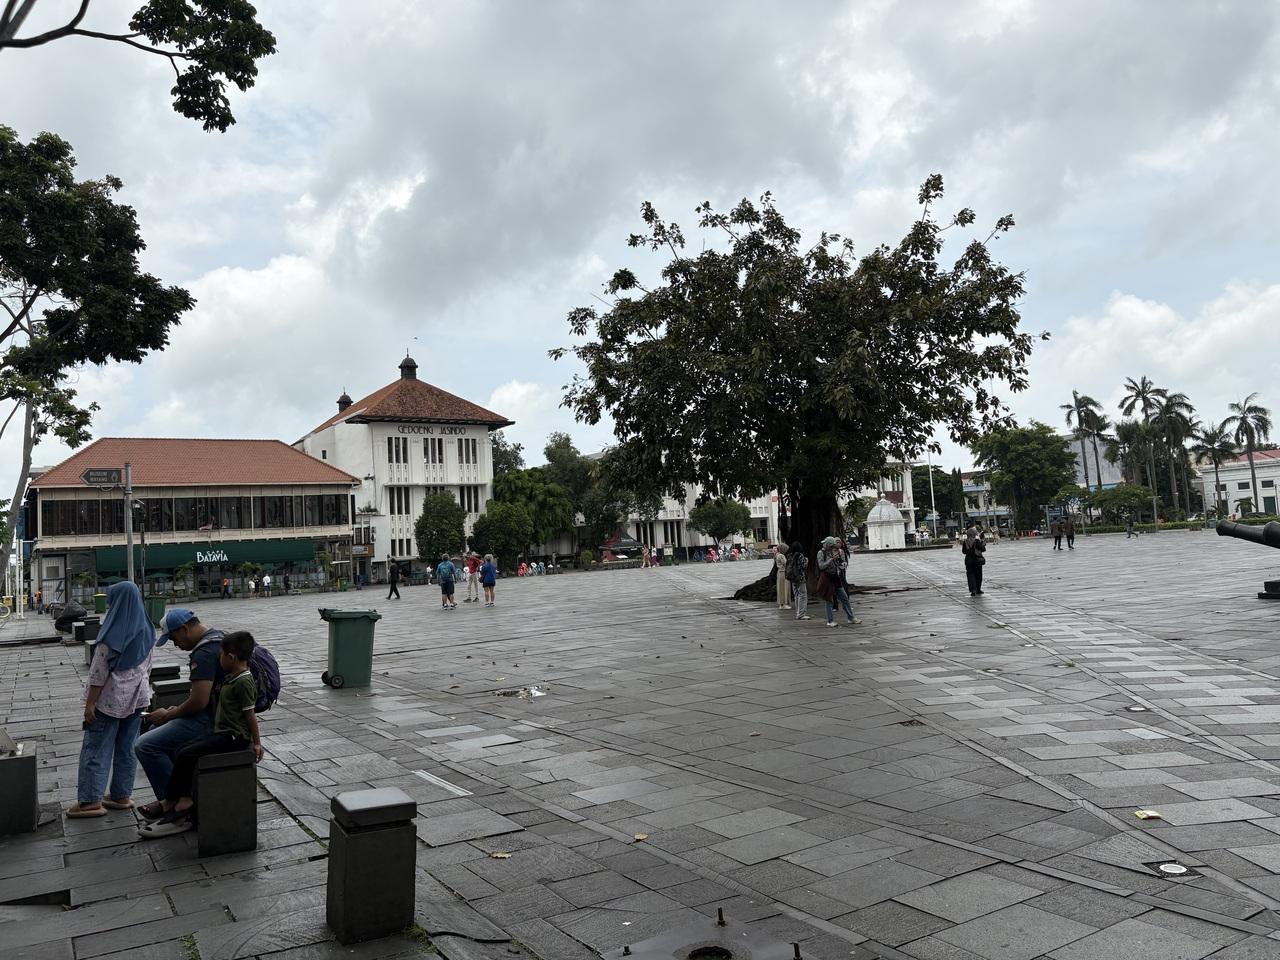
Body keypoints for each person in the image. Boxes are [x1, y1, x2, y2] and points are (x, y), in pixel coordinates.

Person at [139, 631, 263, 837]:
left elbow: (250, 715)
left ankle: (178, 802)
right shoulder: (232, 677)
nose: (218, 659)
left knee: (185, 754)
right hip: (223, 732)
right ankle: (177, 799)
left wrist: (257, 743)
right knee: (185, 750)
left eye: (220, 656)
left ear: (231, 657)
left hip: (233, 737)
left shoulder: (243, 682)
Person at [67, 582, 156, 818]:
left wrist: (90, 704)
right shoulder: (148, 632)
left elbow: (98, 675)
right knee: (127, 747)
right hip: (138, 699)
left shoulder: (110, 636)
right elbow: (148, 668)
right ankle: (121, 795)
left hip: (109, 701)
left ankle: (90, 801)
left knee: (96, 747)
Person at [133, 609, 226, 821]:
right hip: (217, 715)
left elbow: (199, 701)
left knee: (145, 745)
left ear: (184, 629)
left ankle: (173, 803)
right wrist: (174, 712)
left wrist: (169, 715)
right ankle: (182, 793)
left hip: (212, 722)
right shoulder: (219, 637)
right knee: (156, 730)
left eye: (174, 638)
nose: (175, 644)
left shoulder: (204, 653)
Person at [816, 536, 859, 627]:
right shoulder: (821, 553)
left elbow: (837, 564)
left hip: (836, 578)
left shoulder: (833, 552)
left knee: (844, 598)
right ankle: (830, 621)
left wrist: (840, 563)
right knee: (829, 600)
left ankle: (851, 618)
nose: (824, 545)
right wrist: (831, 559)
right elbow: (821, 566)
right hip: (827, 578)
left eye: (825, 543)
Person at [785, 541, 811, 621]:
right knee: (802, 596)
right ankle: (801, 614)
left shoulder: (789, 555)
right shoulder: (800, 555)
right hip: (800, 578)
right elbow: (802, 567)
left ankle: (798, 613)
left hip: (792, 578)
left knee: (796, 595)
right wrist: (806, 561)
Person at [962, 525, 986, 596]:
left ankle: (973, 590)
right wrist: (982, 544)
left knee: (970, 575)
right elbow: (983, 549)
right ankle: (978, 589)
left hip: (968, 560)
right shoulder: (977, 541)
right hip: (977, 560)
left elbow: (964, 551)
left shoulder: (965, 542)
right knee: (978, 575)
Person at [773, 544, 792, 610]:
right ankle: (784, 604)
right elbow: (786, 563)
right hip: (783, 572)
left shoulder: (777, 555)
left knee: (780, 588)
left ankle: (781, 604)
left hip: (780, 572)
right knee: (784, 588)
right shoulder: (781, 555)